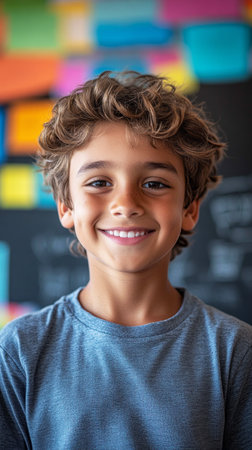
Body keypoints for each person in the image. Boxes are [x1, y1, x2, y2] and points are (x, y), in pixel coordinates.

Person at [0, 71, 251, 450]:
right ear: (66, 206)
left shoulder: (235, 352)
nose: (127, 205)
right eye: (100, 182)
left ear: (190, 209)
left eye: (154, 183)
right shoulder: (19, 352)